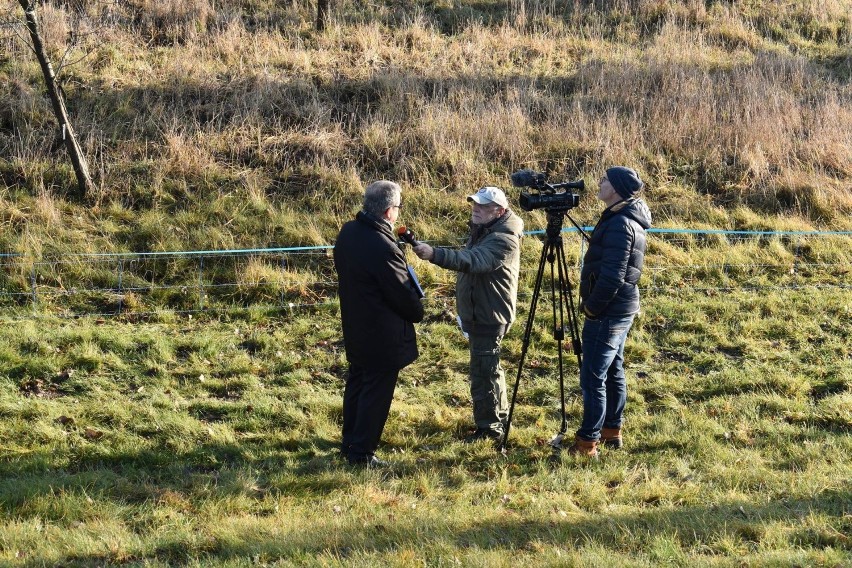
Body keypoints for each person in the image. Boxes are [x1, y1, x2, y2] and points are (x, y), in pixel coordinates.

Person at [413, 186, 523, 443]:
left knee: (483, 373)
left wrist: (435, 254)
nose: (476, 208)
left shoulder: (502, 238)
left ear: (500, 210)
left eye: (483, 206)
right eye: (474, 203)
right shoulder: (488, 229)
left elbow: (473, 260)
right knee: (489, 369)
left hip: (489, 314)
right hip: (481, 310)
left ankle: (490, 429)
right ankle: (498, 417)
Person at [334, 180, 425, 467]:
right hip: (382, 334)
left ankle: (350, 443)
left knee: (358, 383)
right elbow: (402, 294)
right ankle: (362, 453)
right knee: (376, 392)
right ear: (389, 211)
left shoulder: (348, 232)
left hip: (356, 324)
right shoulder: (383, 246)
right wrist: (417, 308)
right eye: (397, 208)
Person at [573, 166, 652, 457]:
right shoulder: (625, 217)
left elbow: (614, 276)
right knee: (613, 370)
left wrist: (593, 307)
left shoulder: (621, 223)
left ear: (616, 188)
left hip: (609, 311)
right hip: (621, 308)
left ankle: (587, 443)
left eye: (604, 180)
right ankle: (611, 431)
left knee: (593, 375)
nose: (599, 183)